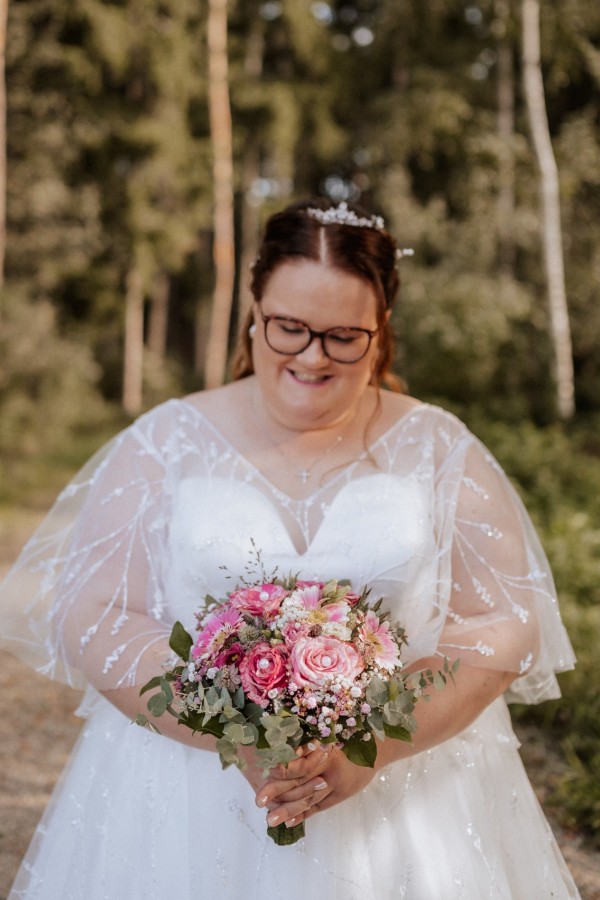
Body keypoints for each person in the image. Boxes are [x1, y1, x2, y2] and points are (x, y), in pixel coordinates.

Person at [0, 198, 580, 899]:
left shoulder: (439, 447)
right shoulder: (165, 441)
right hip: (184, 798)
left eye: (343, 336)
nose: (312, 356)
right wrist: (229, 732)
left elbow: (503, 622)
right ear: (255, 310)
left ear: (381, 327)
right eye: (290, 327)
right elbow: (95, 614)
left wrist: (376, 746)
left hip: (405, 807)